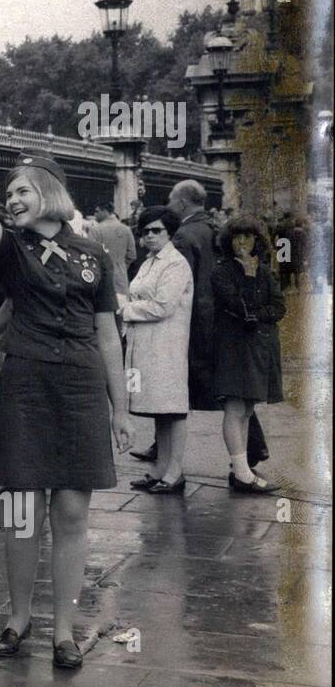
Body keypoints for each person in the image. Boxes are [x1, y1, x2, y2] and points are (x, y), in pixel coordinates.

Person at [0, 101, 135, 671]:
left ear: (51, 193)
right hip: (26, 388)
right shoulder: (11, 250)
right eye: (10, 194)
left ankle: (62, 630)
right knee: (22, 510)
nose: (12, 200)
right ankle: (17, 618)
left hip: (80, 389)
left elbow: (109, 337)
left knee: (73, 513)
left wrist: (121, 410)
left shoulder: (93, 256)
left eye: (22, 191)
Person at [160, 180, 269, 469]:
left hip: (196, 321)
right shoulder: (213, 227)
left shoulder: (184, 235)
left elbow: (181, 283)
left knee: (181, 388)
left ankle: (165, 452)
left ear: (182, 203)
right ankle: (252, 448)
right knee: (233, 392)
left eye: (171, 200)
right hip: (220, 316)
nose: (170, 205)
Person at [120, 207, 194, 494]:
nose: (150, 235)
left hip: (167, 345)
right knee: (159, 410)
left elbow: (163, 306)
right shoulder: (149, 262)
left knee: (173, 409)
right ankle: (161, 469)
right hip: (145, 345)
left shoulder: (176, 264)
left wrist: (126, 309)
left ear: (169, 232)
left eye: (157, 230)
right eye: (146, 230)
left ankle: (175, 472)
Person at [211, 216, 285, 494]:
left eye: (248, 237)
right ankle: (241, 472)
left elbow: (278, 307)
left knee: (248, 408)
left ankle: (240, 468)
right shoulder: (221, 271)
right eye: (237, 237)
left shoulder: (264, 270)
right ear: (228, 241)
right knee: (234, 407)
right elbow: (241, 307)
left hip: (258, 347)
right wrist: (250, 278)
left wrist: (259, 315)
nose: (243, 243)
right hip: (232, 345)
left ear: (257, 240)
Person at [91, 201, 137, 303]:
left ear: (105, 211)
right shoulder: (126, 229)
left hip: (101, 278)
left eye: (97, 211)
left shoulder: (96, 230)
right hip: (121, 278)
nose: (95, 215)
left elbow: (91, 254)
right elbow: (132, 255)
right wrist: (121, 266)